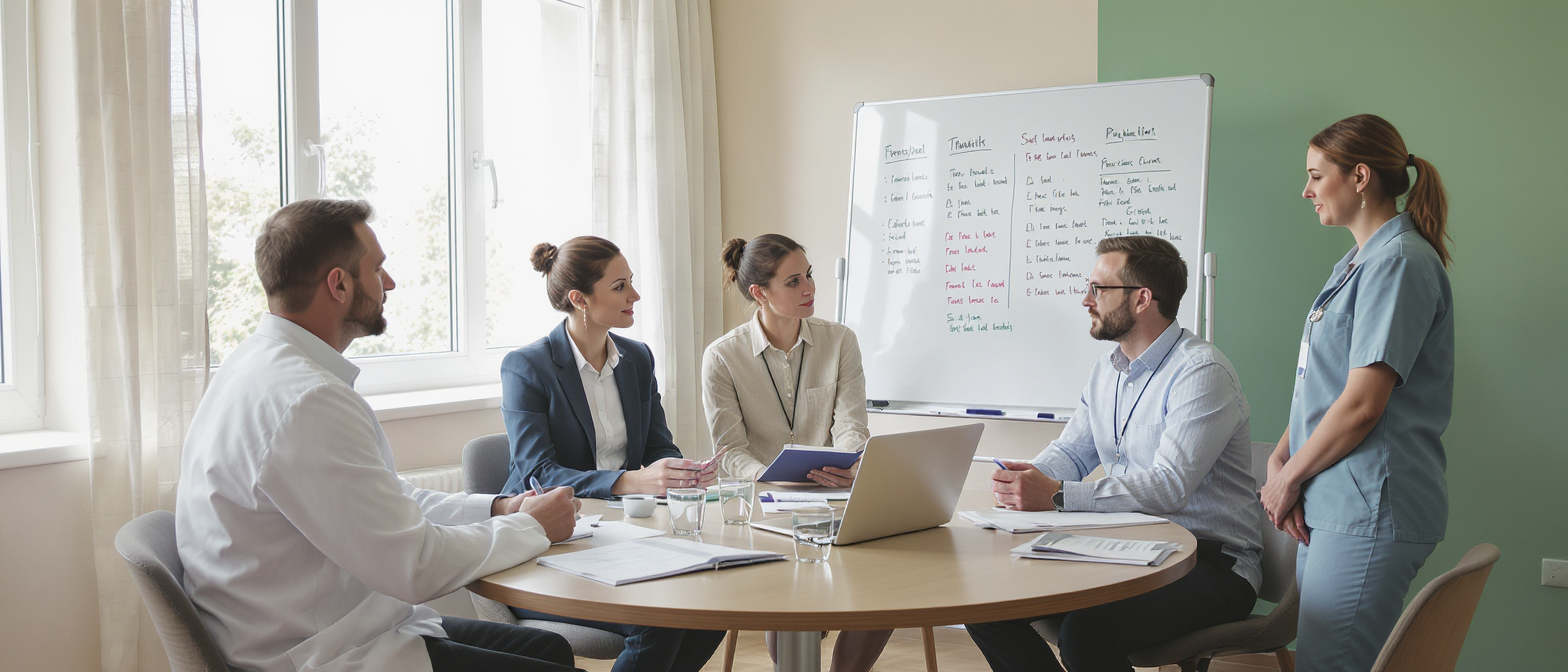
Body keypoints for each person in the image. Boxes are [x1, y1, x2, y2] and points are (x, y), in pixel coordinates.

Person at [177, 199, 584, 672]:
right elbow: (416, 566)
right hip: (322, 654)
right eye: (378, 268)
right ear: (339, 284)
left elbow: (383, 498)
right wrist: (534, 527)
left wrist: (499, 507)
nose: (389, 282)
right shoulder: (307, 401)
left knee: (549, 649)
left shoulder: (253, 363)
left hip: (325, 628)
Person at [966, 236, 1262, 672]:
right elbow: (1073, 451)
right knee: (985, 604)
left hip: (1209, 564)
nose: (1086, 300)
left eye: (1098, 289)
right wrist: (1029, 478)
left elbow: (1170, 486)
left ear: (1142, 299)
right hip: (1123, 550)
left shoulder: (1201, 372)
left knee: (1088, 633)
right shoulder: (1107, 370)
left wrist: (1057, 495)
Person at [1258, 114, 1454, 672]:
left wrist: (1289, 478)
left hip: (1369, 508)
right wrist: (1282, 454)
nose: (1307, 190)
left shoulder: (1396, 263)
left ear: (1360, 176)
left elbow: (1365, 403)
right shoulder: (1358, 262)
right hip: (1338, 503)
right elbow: (1327, 387)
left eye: (1317, 176)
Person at [499, 235, 726, 672]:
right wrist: (633, 481)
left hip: (622, 538)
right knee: (657, 622)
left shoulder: (637, 359)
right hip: (544, 548)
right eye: (620, 286)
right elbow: (537, 472)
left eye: (632, 282)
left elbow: (659, 445)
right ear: (580, 299)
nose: (635, 295)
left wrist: (680, 472)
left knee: (709, 605)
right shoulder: (527, 366)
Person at [702, 234, 886, 671]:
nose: (810, 289)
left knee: (886, 582)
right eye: (793, 281)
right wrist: (773, 477)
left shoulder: (840, 341)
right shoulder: (723, 358)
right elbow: (728, 452)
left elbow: (852, 427)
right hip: (762, 508)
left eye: (810, 276)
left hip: (834, 497)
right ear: (759, 293)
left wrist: (850, 463)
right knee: (791, 596)